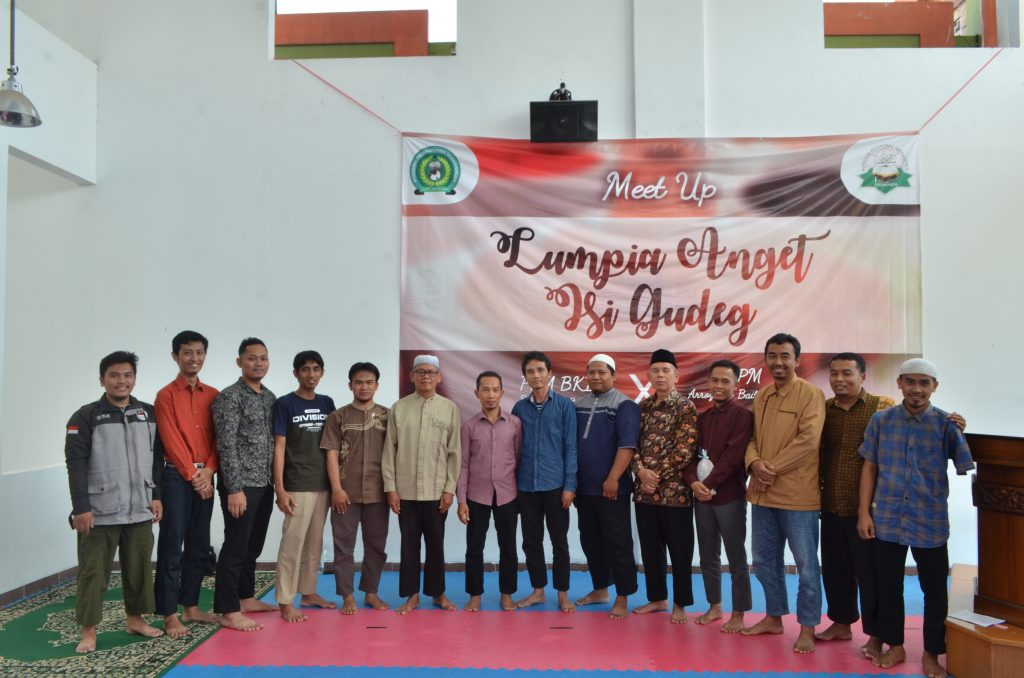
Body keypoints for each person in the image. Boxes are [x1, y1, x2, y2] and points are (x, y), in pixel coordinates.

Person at [857, 358, 973, 678]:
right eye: (910, 381)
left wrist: (963, 430)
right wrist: (864, 513)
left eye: (924, 383)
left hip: (930, 521)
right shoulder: (881, 421)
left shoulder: (946, 424)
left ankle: (931, 652)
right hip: (888, 518)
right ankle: (895, 645)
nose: (916, 389)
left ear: (935, 386)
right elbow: (869, 467)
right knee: (887, 586)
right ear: (899, 384)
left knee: (934, 592)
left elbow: (965, 462)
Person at [65, 351, 164, 653]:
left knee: (139, 569)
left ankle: (135, 620)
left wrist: (156, 495)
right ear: (102, 380)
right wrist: (81, 508)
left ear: (134, 379)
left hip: (139, 509)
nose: (122, 381)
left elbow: (157, 460)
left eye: (127, 375)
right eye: (114, 375)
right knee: (93, 573)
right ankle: (88, 631)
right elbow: (76, 464)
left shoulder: (148, 414)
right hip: (99, 512)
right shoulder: (85, 416)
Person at [740, 333, 825, 654]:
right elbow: (752, 438)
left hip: (798, 496)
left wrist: (769, 469)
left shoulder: (811, 394)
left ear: (797, 360)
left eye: (785, 356)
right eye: (773, 356)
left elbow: (808, 441)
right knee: (763, 561)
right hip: (762, 495)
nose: (778, 362)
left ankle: (808, 627)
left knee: (806, 566)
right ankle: (774, 617)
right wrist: (754, 463)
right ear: (766, 360)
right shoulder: (762, 396)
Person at [382, 354, 461, 615]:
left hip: (437, 492)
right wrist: (391, 488)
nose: (426, 376)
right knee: (409, 545)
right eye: (420, 372)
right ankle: (412, 595)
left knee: (436, 545)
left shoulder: (449, 408)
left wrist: (449, 489)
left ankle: (438, 594)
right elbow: (389, 451)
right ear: (412, 376)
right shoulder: (399, 408)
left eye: (431, 372)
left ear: (439, 377)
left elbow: (454, 453)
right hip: (405, 491)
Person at [153, 331, 220, 638]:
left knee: (199, 545)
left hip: (206, 476)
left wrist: (209, 470)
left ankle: (190, 606)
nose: (194, 358)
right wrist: (195, 476)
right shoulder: (165, 396)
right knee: (172, 546)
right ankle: (169, 614)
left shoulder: (214, 395)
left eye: (199, 352)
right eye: (187, 352)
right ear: (175, 356)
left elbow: (219, 439)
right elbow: (171, 439)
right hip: (176, 478)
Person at [212, 337, 277, 631]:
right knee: (236, 546)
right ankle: (228, 609)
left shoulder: (269, 397)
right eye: (252, 358)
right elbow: (225, 445)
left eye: (263, 358)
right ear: (240, 362)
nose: (258, 363)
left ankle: (246, 597)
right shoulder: (229, 397)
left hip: (264, 483)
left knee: (253, 545)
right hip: (241, 485)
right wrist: (234, 488)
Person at [686, 359, 753, 633]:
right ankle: (714, 606)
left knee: (736, 557)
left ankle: (738, 612)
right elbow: (690, 456)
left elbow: (733, 458)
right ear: (708, 382)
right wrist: (693, 483)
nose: (719, 385)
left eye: (726, 381)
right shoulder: (702, 418)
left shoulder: (743, 416)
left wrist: (708, 483)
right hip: (702, 499)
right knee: (707, 555)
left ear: (736, 384)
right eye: (715, 380)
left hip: (730, 498)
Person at [632, 349, 698, 624]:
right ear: (648, 375)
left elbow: (685, 450)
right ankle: (657, 598)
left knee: (680, 551)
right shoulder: (642, 408)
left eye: (666, 371)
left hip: (675, 493)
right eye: (656, 370)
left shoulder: (685, 407)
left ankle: (680, 603)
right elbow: (631, 445)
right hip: (644, 494)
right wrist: (640, 471)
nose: (660, 375)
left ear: (676, 376)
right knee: (650, 549)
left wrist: (654, 476)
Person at [320, 362, 391, 615]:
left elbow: (395, 454)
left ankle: (371, 592)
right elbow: (330, 455)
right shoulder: (337, 417)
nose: (364, 387)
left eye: (369, 382)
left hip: (379, 493)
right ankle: (347, 595)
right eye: (359, 382)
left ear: (376, 385)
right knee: (343, 548)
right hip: (345, 494)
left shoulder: (387, 416)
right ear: (350, 385)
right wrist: (336, 489)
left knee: (376, 547)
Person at [574, 353, 640, 620]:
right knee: (591, 542)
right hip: (583, 489)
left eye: (602, 372)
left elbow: (628, 445)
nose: (596, 377)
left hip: (612, 489)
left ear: (613, 375)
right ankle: (600, 590)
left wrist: (613, 477)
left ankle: (622, 596)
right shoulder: (578, 404)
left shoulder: (625, 405)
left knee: (618, 542)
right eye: (592, 372)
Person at [272, 350, 337, 622]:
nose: (311, 374)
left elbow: (333, 445)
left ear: (322, 372)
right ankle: (285, 600)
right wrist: (280, 489)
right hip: (297, 483)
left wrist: (336, 485)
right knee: (292, 544)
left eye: (315, 369)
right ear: (296, 373)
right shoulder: (285, 404)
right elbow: (279, 447)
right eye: (305, 369)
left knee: (314, 543)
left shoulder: (327, 403)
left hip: (322, 484)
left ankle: (308, 592)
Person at [511, 351, 578, 613]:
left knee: (559, 542)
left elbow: (571, 448)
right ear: (525, 376)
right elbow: (514, 450)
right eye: (530, 371)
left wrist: (570, 486)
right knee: (531, 541)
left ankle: (562, 594)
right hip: (526, 486)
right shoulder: (519, 409)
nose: (536, 375)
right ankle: (538, 591)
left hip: (556, 486)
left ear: (550, 373)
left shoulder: (564, 406)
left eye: (540, 370)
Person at [457, 371, 522, 612]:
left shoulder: (515, 424)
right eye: (485, 389)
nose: (490, 394)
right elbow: (463, 465)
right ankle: (475, 595)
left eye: (495, 390)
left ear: (502, 393)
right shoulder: (468, 427)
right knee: (474, 547)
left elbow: (518, 459)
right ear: (477, 393)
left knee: (509, 547)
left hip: (508, 494)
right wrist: (461, 500)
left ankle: (507, 594)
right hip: (477, 496)